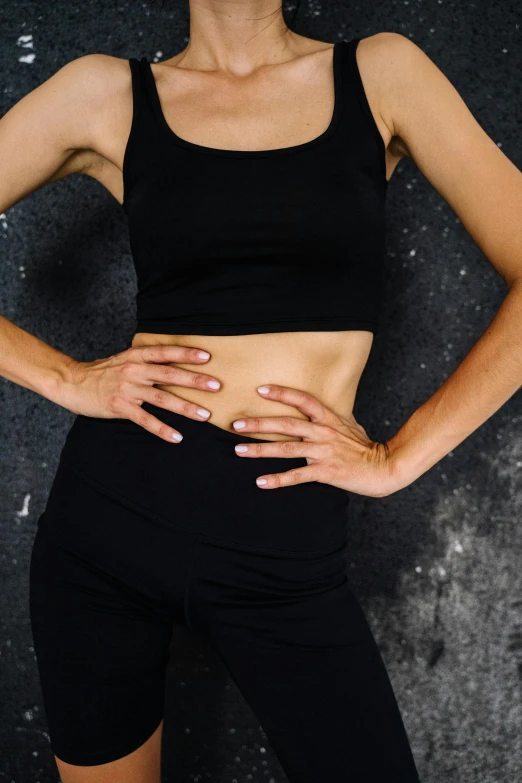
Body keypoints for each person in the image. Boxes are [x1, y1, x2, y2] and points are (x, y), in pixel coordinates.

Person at [2, 0, 522, 780]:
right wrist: (67, 377)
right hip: (109, 527)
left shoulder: (380, 74)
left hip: (284, 548)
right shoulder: (104, 93)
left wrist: (399, 457)